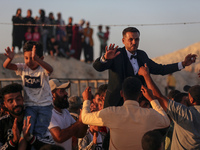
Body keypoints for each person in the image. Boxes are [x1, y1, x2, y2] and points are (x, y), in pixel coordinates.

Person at [93, 27, 197, 108]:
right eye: (131, 39)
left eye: (137, 39)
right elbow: (98, 67)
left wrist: (182, 64)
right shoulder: (116, 54)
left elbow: (160, 69)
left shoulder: (142, 55)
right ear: (123, 40)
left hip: (138, 104)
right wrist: (104, 58)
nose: (134, 42)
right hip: (115, 103)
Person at [81, 77, 170, 150]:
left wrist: (86, 100)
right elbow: (166, 121)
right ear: (140, 94)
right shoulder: (149, 114)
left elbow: (85, 118)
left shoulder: (112, 113)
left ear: (121, 93)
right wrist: (152, 99)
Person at [138, 64, 200, 149]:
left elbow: (160, 97)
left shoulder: (186, 114)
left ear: (192, 100)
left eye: (187, 98)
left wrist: (146, 75)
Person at [3, 41, 54, 140]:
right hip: (30, 106)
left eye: (32, 58)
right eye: (26, 58)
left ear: (41, 58)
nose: (29, 61)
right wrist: (10, 58)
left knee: (40, 131)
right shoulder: (23, 68)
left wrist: (37, 60)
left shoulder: (42, 69)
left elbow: (50, 69)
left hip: (45, 106)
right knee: (27, 130)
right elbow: (6, 66)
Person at [0, 83, 52, 150]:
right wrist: (13, 141)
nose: (16, 103)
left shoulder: (38, 117)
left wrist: (30, 138)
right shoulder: (2, 123)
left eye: (18, 99)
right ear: (5, 104)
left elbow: (51, 146)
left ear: (23, 99)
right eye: (11, 101)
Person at [48, 79, 88, 150]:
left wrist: (85, 112)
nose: (66, 94)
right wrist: (79, 122)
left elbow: (80, 133)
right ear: (52, 94)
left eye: (65, 91)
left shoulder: (65, 111)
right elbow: (59, 137)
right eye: (62, 91)